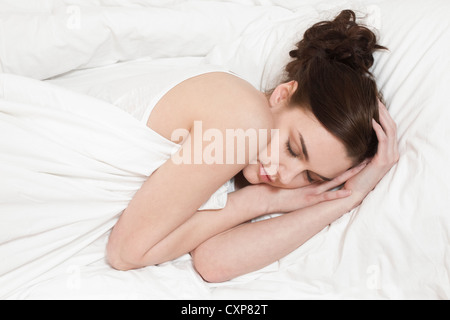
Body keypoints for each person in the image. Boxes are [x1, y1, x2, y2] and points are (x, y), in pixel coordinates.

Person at [106, 10, 399, 282]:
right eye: (293, 149)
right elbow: (126, 253)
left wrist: (350, 197)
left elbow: (214, 261)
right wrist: (258, 201)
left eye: (310, 177)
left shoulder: (241, 169)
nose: (286, 176)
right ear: (283, 94)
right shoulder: (243, 115)